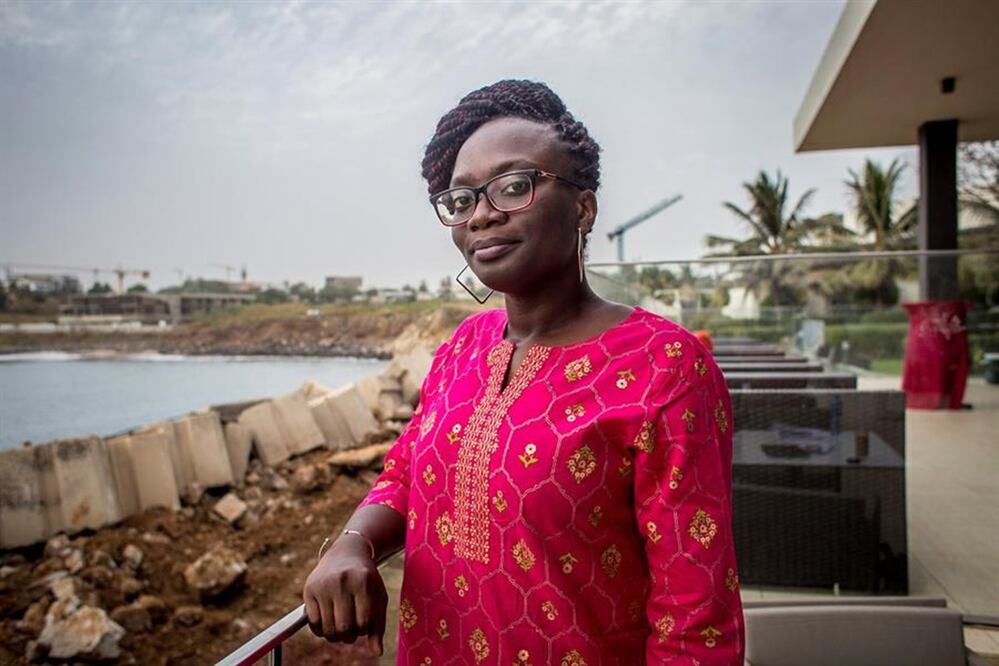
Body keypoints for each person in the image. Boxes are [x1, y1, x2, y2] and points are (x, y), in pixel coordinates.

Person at [303, 80, 744, 665]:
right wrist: (352, 544)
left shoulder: (665, 366)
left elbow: (696, 614)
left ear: (583, 206)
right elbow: (407, 468)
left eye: (513, 187)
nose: (481, 215)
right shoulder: (463, 347)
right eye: (461, 200)